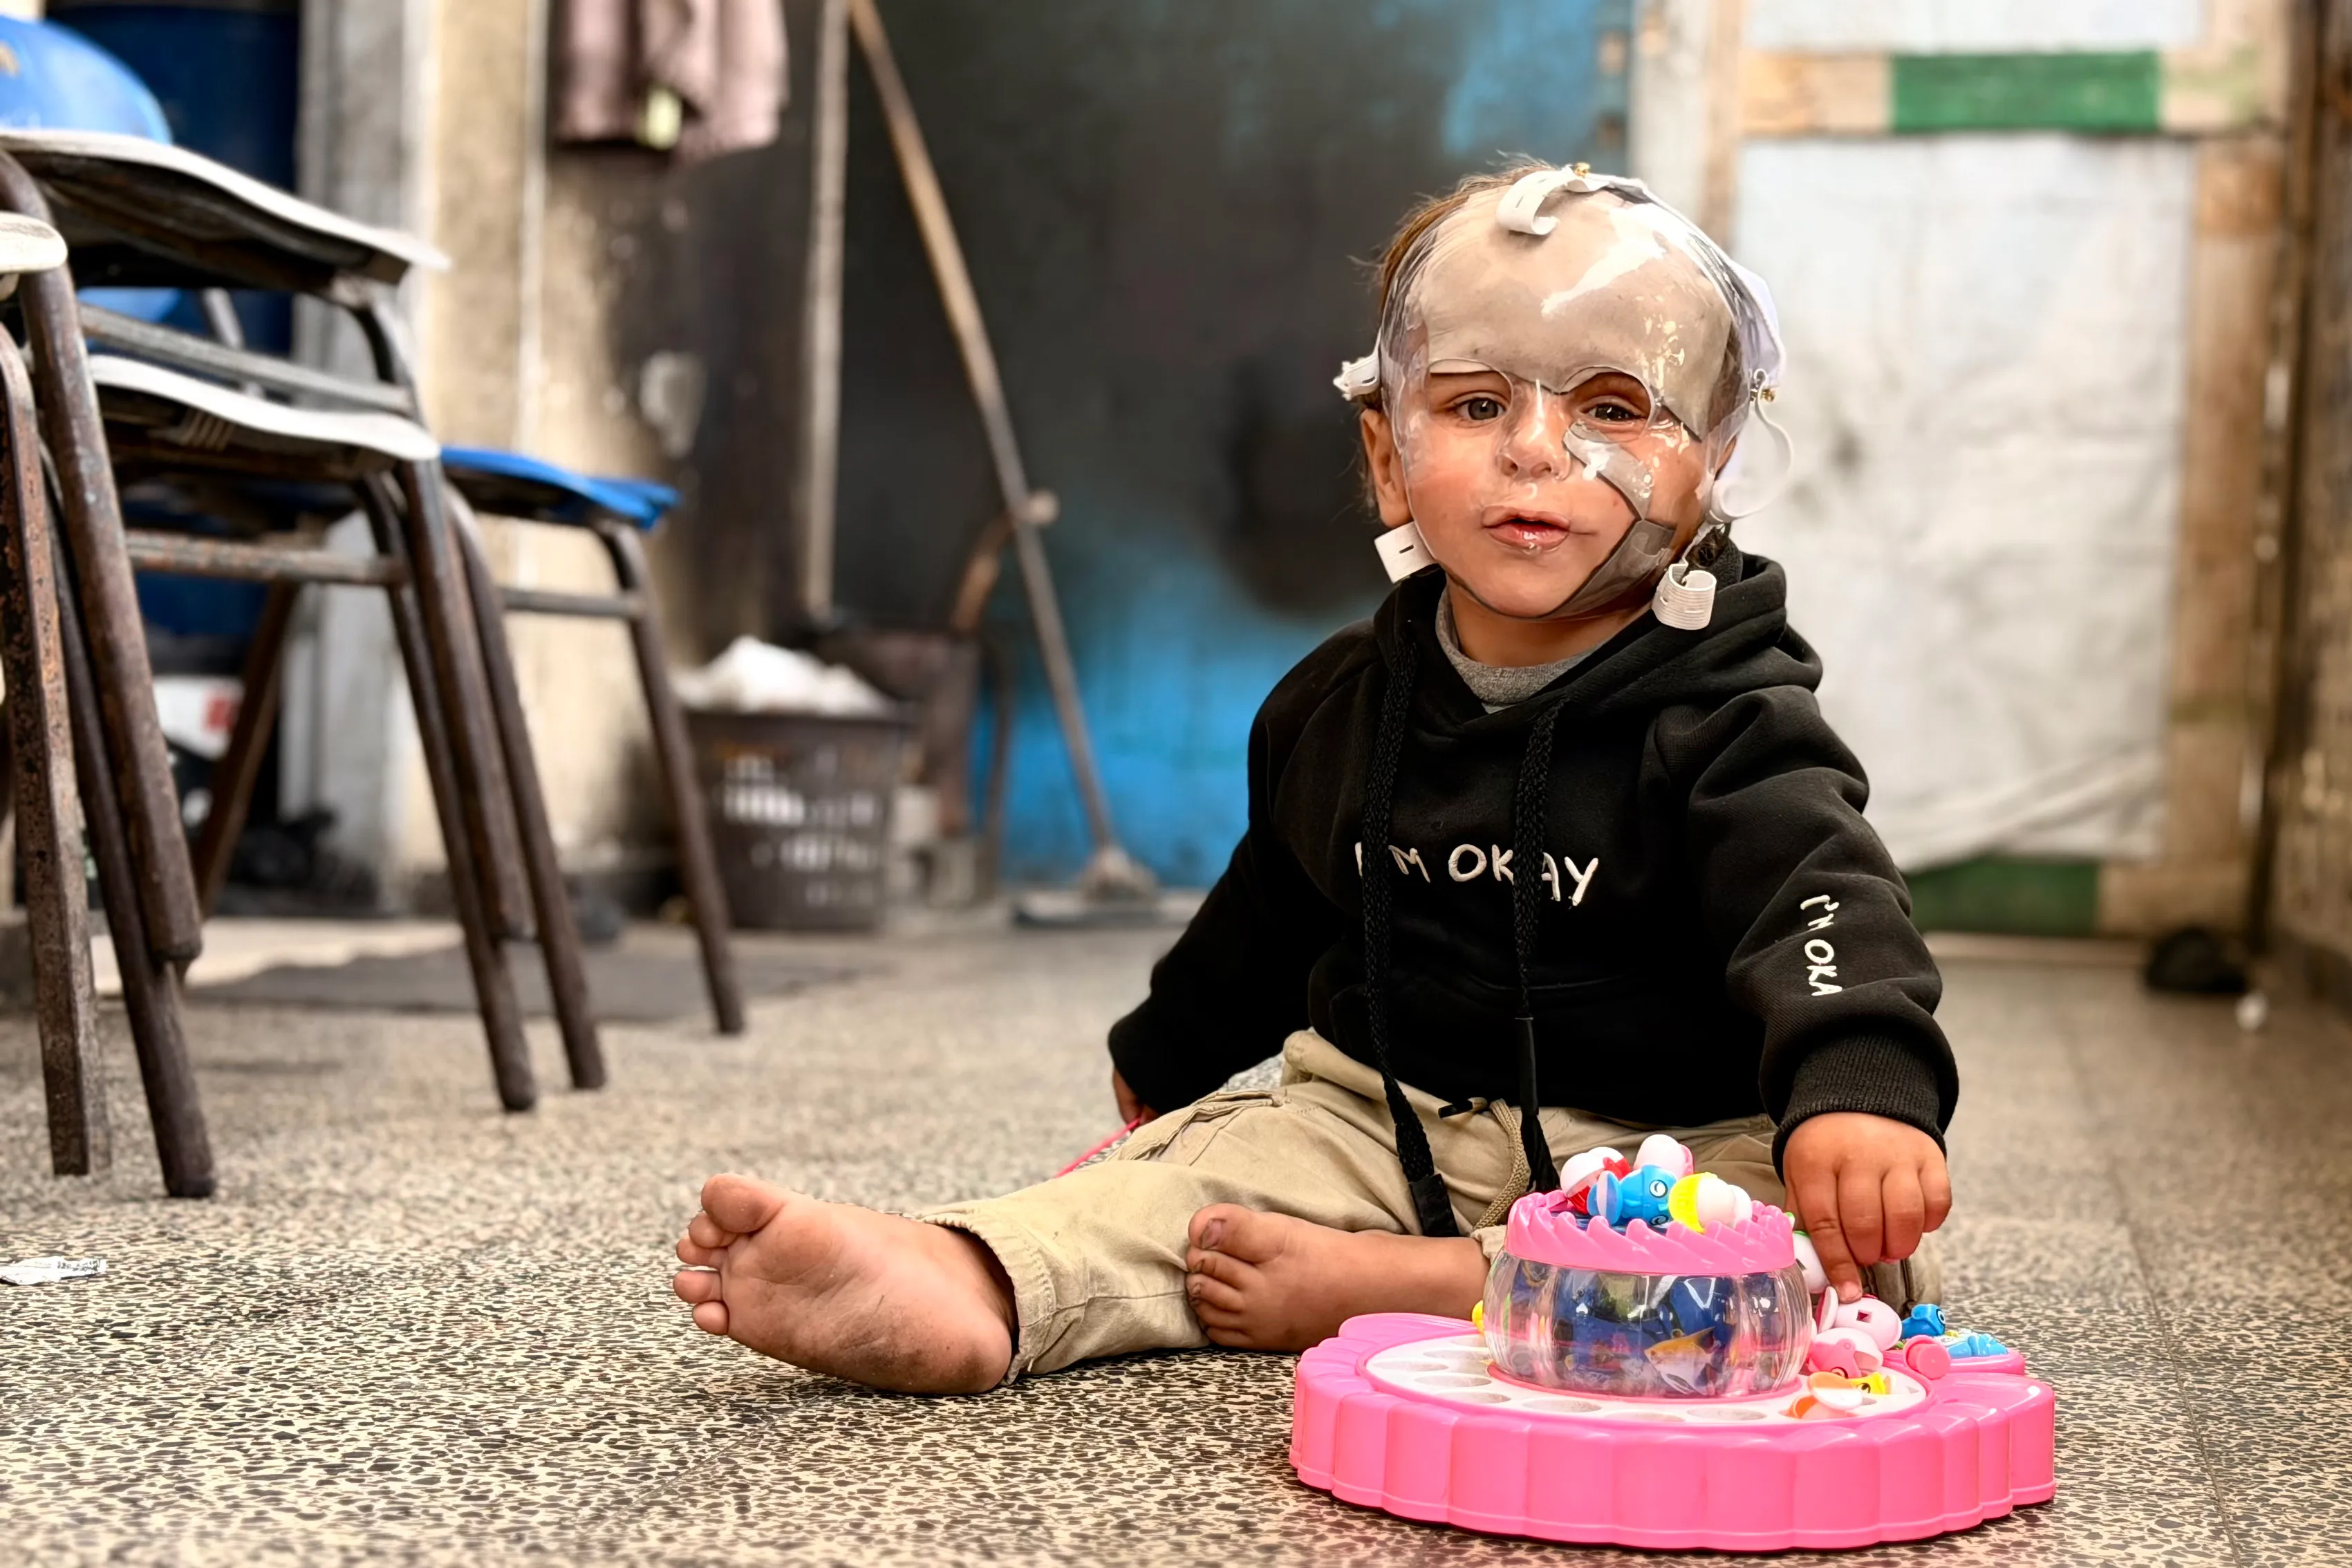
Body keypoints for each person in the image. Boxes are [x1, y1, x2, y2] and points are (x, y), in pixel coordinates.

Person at [669, 162, 1957, 1394]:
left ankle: (1417, 1287)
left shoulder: (1735, 720)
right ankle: (983, 1280)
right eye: (1472, 404)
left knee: (1809, 1257)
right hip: (1377, 1127)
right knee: (1178, 1186)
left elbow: (1824, 909)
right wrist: (1170, 1050)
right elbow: (1280, 900)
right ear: (1389, 455)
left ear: (1707, 462)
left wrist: (1856, 1091)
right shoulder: (1339, 702)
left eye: (1613, 407)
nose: (1535, 452)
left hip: (1663, 1151)